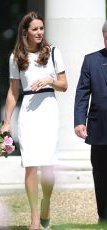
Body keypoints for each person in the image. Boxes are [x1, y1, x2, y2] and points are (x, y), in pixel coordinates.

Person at [1, 11, 67, 230]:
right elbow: (12, 92)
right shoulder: (15, 57)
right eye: (35, 29)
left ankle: (46, 202)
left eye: (41, 28)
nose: (39, 32)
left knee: (48, 167)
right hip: (28, 114)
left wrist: (50, 80)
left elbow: (64, 85)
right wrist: (6, 121)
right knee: (30, 166)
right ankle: (35, 220)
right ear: (25, 32)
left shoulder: (54, 53)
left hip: (49, 110)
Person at [74, 21, 107, 224]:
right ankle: (103, 217)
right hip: (100, 128)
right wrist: (79, 121)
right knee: (102, 176)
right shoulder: (91, 60)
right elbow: (82, 93)